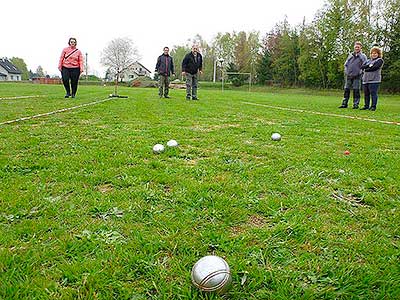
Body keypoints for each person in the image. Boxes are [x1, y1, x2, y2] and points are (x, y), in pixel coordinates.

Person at [339, 41, 367, 109]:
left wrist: (360, 72)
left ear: (361, 48)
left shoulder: (363, 56)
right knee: (346, 90)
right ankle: (344, 103)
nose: (357, 48)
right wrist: (346, 71)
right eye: (355, 47)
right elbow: (346, 64)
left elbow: (365, 65)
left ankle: (355, 104)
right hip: (348, 75)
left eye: (358, 47)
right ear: (354, 47)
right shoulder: (350, 55)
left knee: (356, 90)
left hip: (357, 76)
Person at [360, 47, 384, 111]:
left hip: (374, 80)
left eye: (375, 53)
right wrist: (369, 66)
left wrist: (367, 68)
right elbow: (362, 67)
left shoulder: (380, 60)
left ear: (378, 54)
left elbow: (375, 67)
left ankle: (373, 106)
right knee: (366, 94)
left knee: (373, 93)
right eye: (372, 53)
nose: (373, 54)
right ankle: (366, 106)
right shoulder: (367, 61)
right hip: (365, 80)